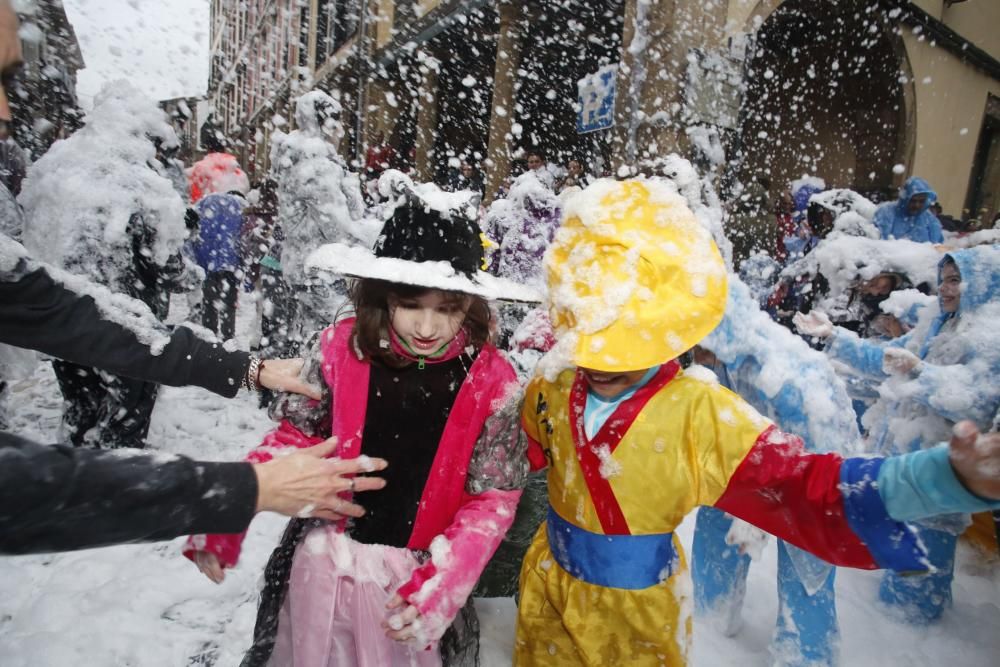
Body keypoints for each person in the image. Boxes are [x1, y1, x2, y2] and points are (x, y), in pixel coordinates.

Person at [512, 179, 1000, 666]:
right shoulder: (554, 383)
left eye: (624, 337)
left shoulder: (699, 413)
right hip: (548, 591)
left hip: (633, 620)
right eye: (593, 334)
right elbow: (519, 451)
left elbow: (806, 484)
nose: (605, 359)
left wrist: (938, 478)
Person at [185, 181, 541, 666]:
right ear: (383, 296)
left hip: (413, 584)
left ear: (470, 305)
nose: (426, 327)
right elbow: (296, 439)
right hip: (325, 568)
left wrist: (446, 579)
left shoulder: (491, 381)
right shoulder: (340, 350)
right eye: (410, 305)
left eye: (447, 310)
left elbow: (493, 497)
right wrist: (232, 507)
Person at [794, 244, 1000, 624]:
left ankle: (920, 644)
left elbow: (976, 401)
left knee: (917, 595)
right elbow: (886, 360)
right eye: (943, 281)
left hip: (944, 476)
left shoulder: (989, 338)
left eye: (956, 280)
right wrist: (835, 338)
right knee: (898, 579)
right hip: (907, 468)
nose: (947, 289)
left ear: (983, 282)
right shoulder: (936, 324)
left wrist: (921, 373)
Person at [269, 89, 378, 352]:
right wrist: (378, 236)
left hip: (307, 267)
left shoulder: (306, 162)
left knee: (315, 342)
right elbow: (338, 227)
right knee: (349, 339)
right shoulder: (316, 167)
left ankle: (305, 385)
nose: (341, 131)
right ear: (325, 125)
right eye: (337, 123)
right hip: (319, 272)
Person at [190, 157, 250, 340]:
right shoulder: (242, 207)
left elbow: (192, 227)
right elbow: (247, 239)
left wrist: (197, 260)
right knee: (229, 304)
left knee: (209, 302)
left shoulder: (206, 201)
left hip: (208, 261)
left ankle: (210, 339)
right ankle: (227, 340)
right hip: (231, 262)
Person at [873, 176, 944, 243]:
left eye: (921, 201)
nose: (917, 205)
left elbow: (937, 247)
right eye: (913, 201)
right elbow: (879, 243)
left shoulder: (930, 220)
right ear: (905, 198)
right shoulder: (886, 212)